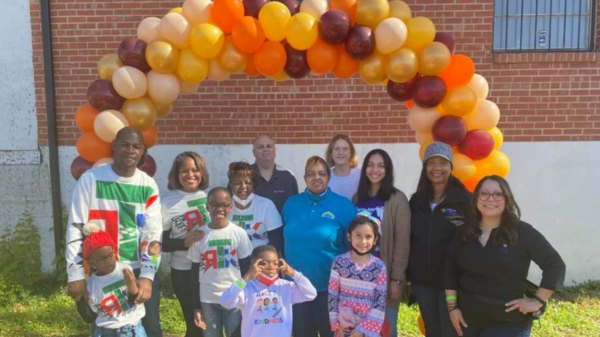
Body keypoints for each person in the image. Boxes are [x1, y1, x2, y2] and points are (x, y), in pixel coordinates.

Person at [66, 127, 163, 336]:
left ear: (143, 151)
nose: (131, 150)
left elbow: (152, 235)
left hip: (136, 269)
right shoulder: (90, 179)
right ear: (114, 146)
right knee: (103, 327)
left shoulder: (148, 184)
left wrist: (147, 275)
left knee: (151, 327)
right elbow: (76, 227)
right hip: (103, 270)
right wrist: (75, 273)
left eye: (136, 146)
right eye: (125, 145)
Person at [444, 175, 566, 337]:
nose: (490, 199)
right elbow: (451, 271)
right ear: (476, 198)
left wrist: (538, 300)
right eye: (484, 193)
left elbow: (555, 264)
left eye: (498, 194)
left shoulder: (522, 232)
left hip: (508, 322)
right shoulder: (465, 232)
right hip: (468, 320)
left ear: (507, 199)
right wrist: (452, 308)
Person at [282, 156, 357, 337]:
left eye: (322, 174)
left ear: (328, 177)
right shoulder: (291, 204)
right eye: (311, 174)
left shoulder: (344, 206)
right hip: (296, 288)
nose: (316, 178)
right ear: (305, 177)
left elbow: (354, 249)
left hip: (330, 290)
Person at [408, 142, 472, 337]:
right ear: (425, 167)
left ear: (451, 167)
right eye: (431, 163)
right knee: (432, 330)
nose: (437, 168)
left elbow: (473, 239)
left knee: (452, 330)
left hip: (453, 282)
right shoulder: (416, 201)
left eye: (442, 162)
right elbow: (410, 238)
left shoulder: (466, 200)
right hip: (423, 281)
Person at [352, 149, 411, 337]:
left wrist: (396, 279)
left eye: (381, 165)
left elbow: (403, 242)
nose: (375, 170)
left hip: (385, 280)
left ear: (388, 170)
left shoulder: (397, 199)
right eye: (370, 164)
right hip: (360, 280)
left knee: (386, 330)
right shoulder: (357, 199)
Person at [187, 187, 253, 337]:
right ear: (207, 207)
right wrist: (196, 307)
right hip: (208, 299)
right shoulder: (200, 235)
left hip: (235, 298)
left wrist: (247, 300)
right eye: (214, 204)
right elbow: (193, 274)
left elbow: (246, 270)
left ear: (231, 207)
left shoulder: (239, 234)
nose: (219, 209)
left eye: (224, 205)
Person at [161, 151, 211, 337]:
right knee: (195, 324)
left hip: (210, 268)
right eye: (184, 171)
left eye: (195, 170)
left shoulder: (211, 196)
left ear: (202, 172)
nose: (190, 175)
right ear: (176, 174)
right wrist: (184, 242)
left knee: (213, 321)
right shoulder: (166, 202)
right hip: (183, 270)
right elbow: (162, 243)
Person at [220, 245, 317, 337]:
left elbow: (311, 294)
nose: (271, 266)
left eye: (275, 263)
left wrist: (294, 273)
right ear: (253, 266)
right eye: (264, 263)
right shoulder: (247, 288)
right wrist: (246, 277)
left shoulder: (286, 286)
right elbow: (225, 301)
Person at [81, 222, 147, 337]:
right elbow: (93, 314)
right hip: (105, 331)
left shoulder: (124, 270)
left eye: (110, 255)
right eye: (102, 259)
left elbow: (135, 300)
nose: (109, 261)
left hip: (132, 329)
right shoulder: (91, 284)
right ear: (92, 263)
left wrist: (132, 287)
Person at [328, 214, 388, 337]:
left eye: (368, 237)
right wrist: (335, 322)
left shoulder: (379, 266)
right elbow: (333, 294)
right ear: (349, 236)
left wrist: (363, 329)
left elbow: (380, 301)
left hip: (368, 329)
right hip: (343, 327)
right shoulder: (339, 262)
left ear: (375, 239)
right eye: (358, 235)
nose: (363, 241)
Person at [227, 162, 284, 254]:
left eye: (247, 182)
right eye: (237, 183)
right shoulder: (225, 206)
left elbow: (276, 241)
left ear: (253, 184)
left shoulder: (266, 205)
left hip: (261, 260)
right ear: (231, 185)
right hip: (233, 261)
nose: (243, 186)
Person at [252, 135, 299, 213]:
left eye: (269, 146)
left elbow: (296, 206)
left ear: (275, 150)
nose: (265, 149)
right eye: (260, 147)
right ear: (253, 152)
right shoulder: (244, 175)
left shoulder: (288, 177)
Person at [325, 134, 361, 201]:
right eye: (336, 149)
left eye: (345, 149)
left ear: (351, 153)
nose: (341, 152)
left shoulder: (360, 175)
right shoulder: (325, 177)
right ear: (330, 153)